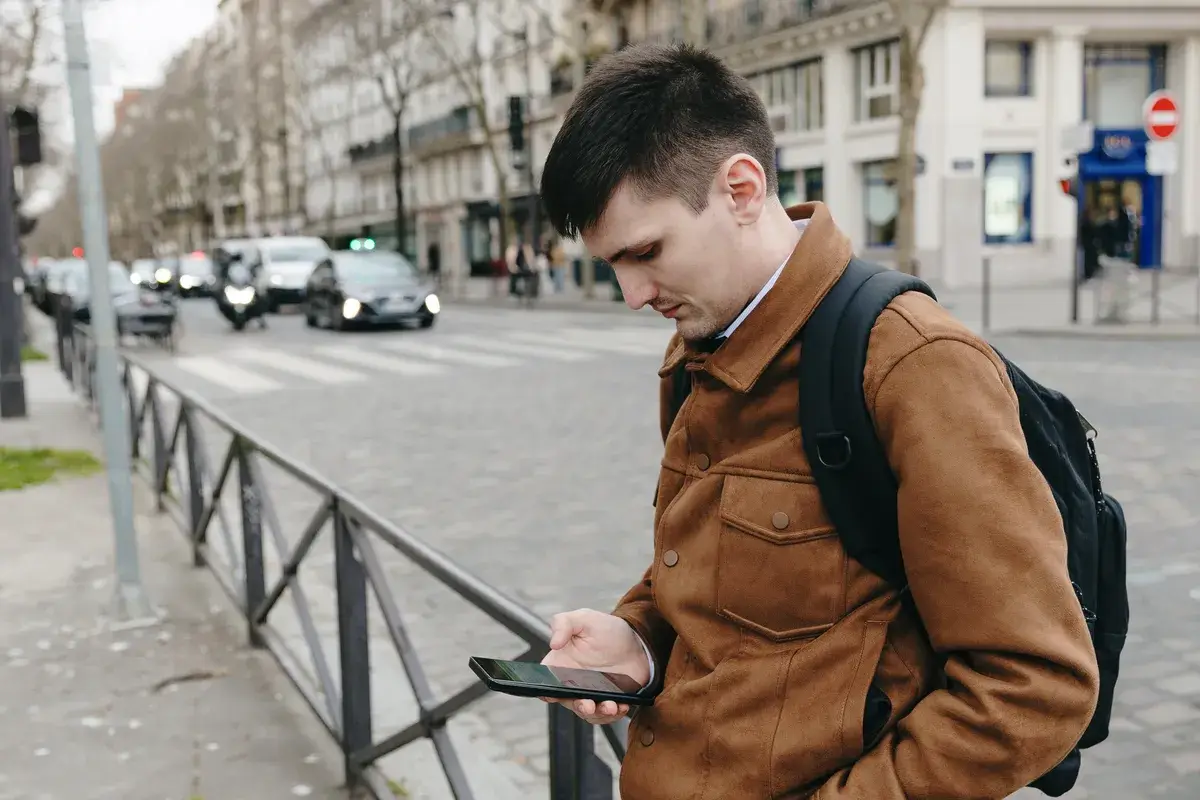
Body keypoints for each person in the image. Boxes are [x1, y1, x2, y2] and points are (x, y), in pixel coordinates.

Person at [536, 42, 1099, 799]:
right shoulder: (703, 340)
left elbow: (1034, 687)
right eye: (614, 265)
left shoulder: (911, 363)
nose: (633, 294)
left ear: (741, 190)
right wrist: (639, 638)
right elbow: (733, 563)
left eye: (646, 252)